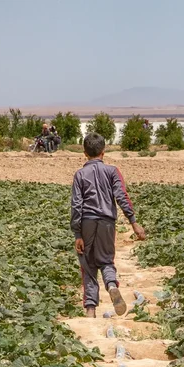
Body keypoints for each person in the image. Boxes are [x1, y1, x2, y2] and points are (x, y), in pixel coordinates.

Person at [71, 132, 146, 317]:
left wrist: (77, 234)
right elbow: (122, 196)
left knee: (88, 266)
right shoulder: (112, 171)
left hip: (87, 222)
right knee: (106, 261)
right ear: (103, 152)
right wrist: (134, 223)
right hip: (107, 223)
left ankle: (90, 311)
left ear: (84, 153)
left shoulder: (80, 174)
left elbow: (76, 205)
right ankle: (112, 286)